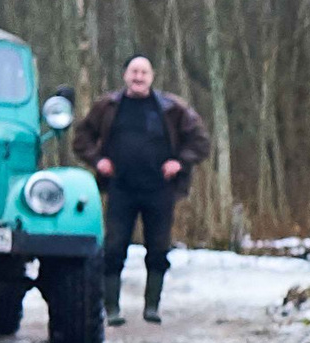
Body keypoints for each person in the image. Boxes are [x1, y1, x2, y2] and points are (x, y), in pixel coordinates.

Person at [70, 56, 212, 326]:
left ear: (152, 76)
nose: (138, 77)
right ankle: (111, 308)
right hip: (120, 189)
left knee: (158, 249)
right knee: (113, 249)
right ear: (125, 75)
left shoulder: (172, 108)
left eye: (144, 72)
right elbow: (82, 136)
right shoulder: (108, 106)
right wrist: (98, 159)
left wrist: (179, 162)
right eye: (134, 71)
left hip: (159, 191)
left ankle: (152, 307)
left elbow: (200, 141)